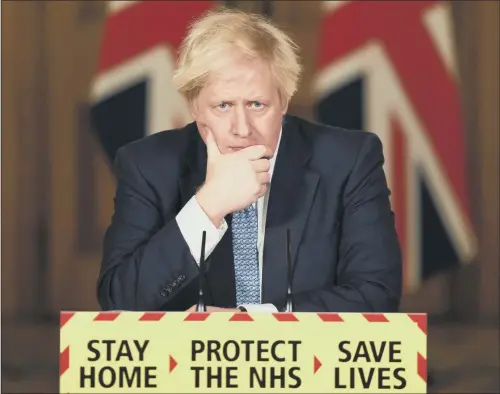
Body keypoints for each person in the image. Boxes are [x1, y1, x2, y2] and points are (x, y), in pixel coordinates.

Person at [96, 9, 402, 313]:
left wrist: (251, 324)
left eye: (257, 104)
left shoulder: (349, 161)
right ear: (195, 107)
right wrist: (208, 206)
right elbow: (120, 302)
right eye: (223, 105)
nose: (242, 129)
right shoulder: (147, 166)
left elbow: (377, 295)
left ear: (283, 101)